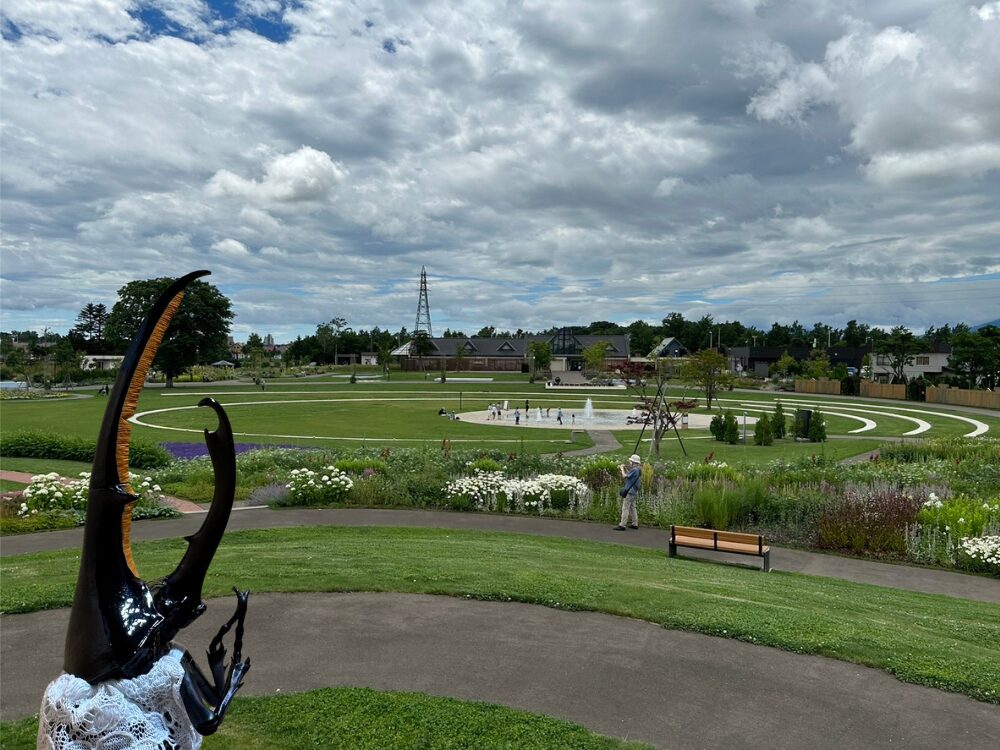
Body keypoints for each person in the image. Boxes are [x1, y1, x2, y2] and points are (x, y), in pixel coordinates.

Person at [613, 454, 642, 531]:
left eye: (631, 461)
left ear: (633, 462)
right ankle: (635, 523)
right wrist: (625, 469)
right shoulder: (638, 469)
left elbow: (624, 476)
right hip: (634, 492)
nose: (629, 463)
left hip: (629, 491)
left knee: (625, 508)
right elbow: (630, 475)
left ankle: (622, 525)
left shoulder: (634, 470)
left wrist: (622, 469)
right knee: (633, 508)